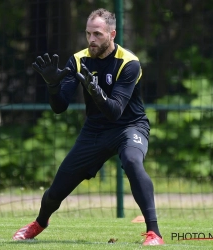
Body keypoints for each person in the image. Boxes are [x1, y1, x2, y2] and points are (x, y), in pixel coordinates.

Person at [13, 8, 164, 246]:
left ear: (112, 34)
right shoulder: (78, 60)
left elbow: (115, 111)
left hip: (129, 127)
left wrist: (97, 93)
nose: (92, 39)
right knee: (56, 189)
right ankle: (39, 223)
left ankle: (154, 232)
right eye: (88, 34)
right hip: (95, 131)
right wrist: (52, 87)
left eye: (98, 34)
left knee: (133, 162)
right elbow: (59, 107)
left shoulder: (129, 63)